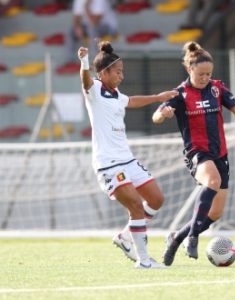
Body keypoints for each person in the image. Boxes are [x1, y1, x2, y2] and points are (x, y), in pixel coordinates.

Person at [152, 41, 235, 265]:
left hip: (219, 153)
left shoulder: (217, 88)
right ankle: (192, 238)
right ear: (189, 69)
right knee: (212, 180)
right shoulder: (180, 94)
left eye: (208, 73)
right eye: (201, 73)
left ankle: (176, 237)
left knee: (216, 213)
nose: (205, 77)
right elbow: (156, 116)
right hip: (197, 153)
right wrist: (164, 113)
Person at [77, 41, 178, 269]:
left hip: (128, 160)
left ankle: (124, 237)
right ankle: (143, 261)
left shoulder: (116, 94)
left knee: (156, 199)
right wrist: (83, 62)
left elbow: (130, 101)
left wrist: (157, 97)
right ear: (104, 73)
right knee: (135, 207)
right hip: (109, 165)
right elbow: (85, 80)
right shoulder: (94, 89)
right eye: (118, 72)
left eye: (122, 72)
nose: (122, 76)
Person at [59, 0, 118, 72]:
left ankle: (96, 61)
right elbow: (76, 17)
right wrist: (77, 27)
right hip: (88, 26)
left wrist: (86, 7)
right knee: (71, 32)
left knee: (92, 29)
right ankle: (70, 62)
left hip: (107, 27)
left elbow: (94, 21)